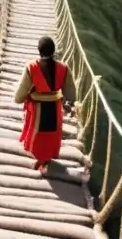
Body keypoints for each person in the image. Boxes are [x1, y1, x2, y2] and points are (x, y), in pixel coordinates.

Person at [14, 36, 76, 172]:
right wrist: (68, 103)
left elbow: (20, 94)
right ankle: (46, 160)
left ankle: (40, 161)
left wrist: (19, 99)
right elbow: (71, 93)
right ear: (53, 51)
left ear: (39, 51)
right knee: (51, 134)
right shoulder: (63, 68)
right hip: (55, 108)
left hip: (37, 109)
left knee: (39, 135)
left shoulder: (32, 67)